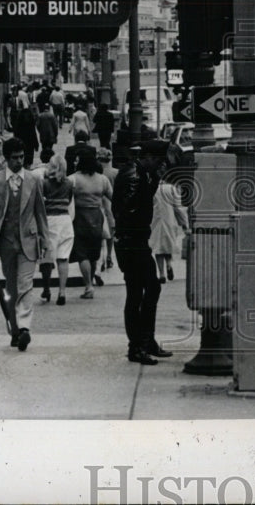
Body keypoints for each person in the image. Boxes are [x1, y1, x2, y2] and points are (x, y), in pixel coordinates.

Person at [0, 137, 49, 351]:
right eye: (15, 158)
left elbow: (40, 212)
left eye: (22, 157)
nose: (19, 161)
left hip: (28, 240)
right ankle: (15, 328)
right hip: (6, 242)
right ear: (6, 159)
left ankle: (25, 328)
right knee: (11, 288)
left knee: (25, 285)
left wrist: (45, 239)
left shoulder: (33, 180)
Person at [112, 139, 173, 365]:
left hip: (135, 240)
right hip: (132, 241)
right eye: (157, 161)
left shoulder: (142, 173)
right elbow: (127, 209)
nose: (159, 165)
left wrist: (156, 177)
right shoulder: (134, 176)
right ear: (147, 157)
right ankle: (137, 345)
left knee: (146, 289)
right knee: (138, 291)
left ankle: (144, 341)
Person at [68, 150, 113, 299]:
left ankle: (88, 285)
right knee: (94, 253)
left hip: (80, 216)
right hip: (97, 216)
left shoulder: (73, 179)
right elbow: (112, 197)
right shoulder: (102, 179)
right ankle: (92, 280)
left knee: (82, 253)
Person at [38, 154, 74, 306]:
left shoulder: (45, 183)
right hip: (65, 221)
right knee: (63, 258)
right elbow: (70, 200)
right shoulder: (69, 183)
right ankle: (62, 291)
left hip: (50, 221)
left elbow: (40, 202)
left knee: (47, 257)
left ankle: (46, 288)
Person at [149, 157, 189, 284]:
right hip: (170, 220)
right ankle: (169, 265)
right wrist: (184, 224)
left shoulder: (151, 188)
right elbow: (179, 208)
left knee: (157, 247)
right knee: (168, 244)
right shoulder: (172, 188)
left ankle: (161, 273)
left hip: (155, 220)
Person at [97, 148, 118, 271]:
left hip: (99, 204)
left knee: (101, 235)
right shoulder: (115, 172)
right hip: (111, 205)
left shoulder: (97, 173)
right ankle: (110, 255)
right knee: (111, 233)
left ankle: (102, 258)